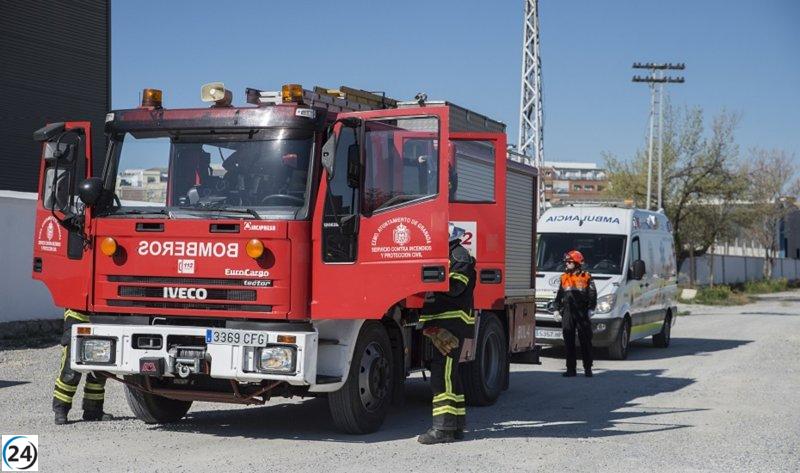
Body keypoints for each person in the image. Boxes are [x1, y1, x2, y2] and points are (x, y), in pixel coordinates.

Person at [417, 226, 477, 444]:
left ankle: (443, 429)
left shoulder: (459, 256)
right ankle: (457, 426)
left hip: (452, 321)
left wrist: (427, 279)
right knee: (450, 374)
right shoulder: (452, 254)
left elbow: (455, 287)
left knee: (442, 375)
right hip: (446, 321)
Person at [52, 309, 112, 425]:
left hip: (101, 314)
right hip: (77, 314)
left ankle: (93, 410)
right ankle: (60, 410)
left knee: (100, 368)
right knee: (70, 371)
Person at [553, 250, 597, 377]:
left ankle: (588, 368)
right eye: (566, 262)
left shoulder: (586, 276)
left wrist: (591, 309)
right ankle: (571, 369)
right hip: (568, 312)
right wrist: (556, 309)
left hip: (582, 312)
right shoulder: (564, 277)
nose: (566, 264)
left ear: (577, 263)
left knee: (585, 341)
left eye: (569, 261)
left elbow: (592, 294)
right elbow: (559, 295)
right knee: (568, 340)